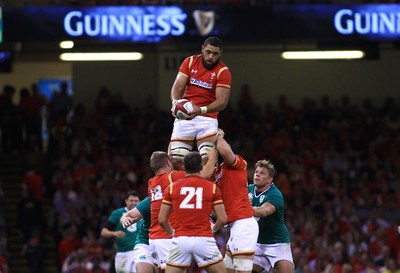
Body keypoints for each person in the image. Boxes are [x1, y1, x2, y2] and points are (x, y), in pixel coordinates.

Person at [158, 151, 227, 273]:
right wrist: (214, 229)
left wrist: (172, 233)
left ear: (184, 168)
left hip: (181, 239)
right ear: (201, 167)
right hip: (204, 239)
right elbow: (222, 219)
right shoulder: (212, 187)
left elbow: (162, 219)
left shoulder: (172, 187)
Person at [169, 36, 232, 165]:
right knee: (176, 161)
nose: (210, 57)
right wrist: (175, 102)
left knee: (206, 161)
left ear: (220, 54)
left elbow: (222, 102)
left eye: (215, 54)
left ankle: (207, 185)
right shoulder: (190, 62)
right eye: (208, 52)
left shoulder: (223, 71)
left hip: (207, 118)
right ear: (203, 49)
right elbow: (177, 87)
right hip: (186, 115)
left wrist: (200, 110)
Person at [203, 129, 258, 273]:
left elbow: (223, 149)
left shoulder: (237, 165)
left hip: (244, 224)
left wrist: (218, 136)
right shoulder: (214, 174)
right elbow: (201, 177)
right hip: (234, 227)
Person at [248, 160, 294, 273]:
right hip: (258, 243)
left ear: (269, 179)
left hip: (278, 243)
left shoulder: (275, 194)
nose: (257, 174)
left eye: (262, 173)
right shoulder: (248, 189)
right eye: (256, 172)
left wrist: (244, 208)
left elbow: (264, 211)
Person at [100, 191, 141, 273]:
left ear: (139, 202)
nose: (134, 203)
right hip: (123, 253)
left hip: (139, 252)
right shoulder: (117, 214)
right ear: (126, 201)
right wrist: (114, 233)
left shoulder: (143, 214)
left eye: (136, 201)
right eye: (131, 200)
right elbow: (103, 232)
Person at [120, 196, 155, 273]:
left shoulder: (178, 199)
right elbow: (126, 216)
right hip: (145, 243)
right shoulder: (150, 200)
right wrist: (125, 219)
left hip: (169, 243)